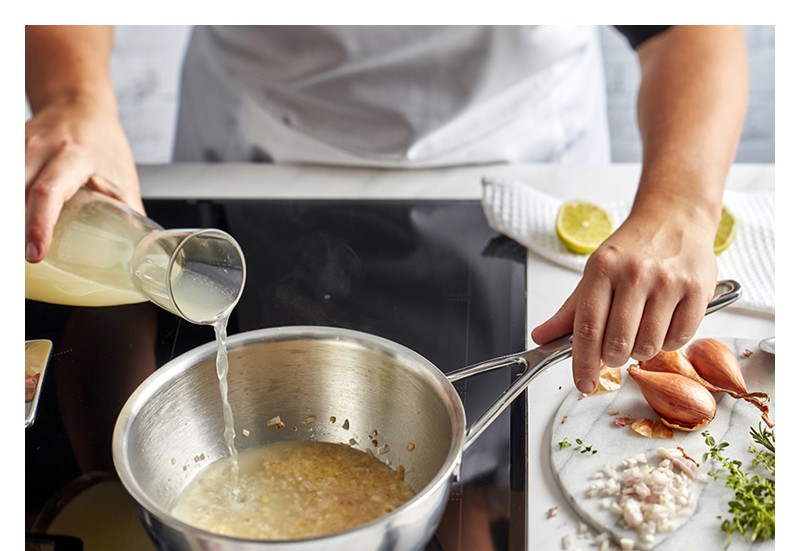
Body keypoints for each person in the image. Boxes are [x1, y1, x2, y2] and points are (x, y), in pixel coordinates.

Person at [24, 25, 749, 394]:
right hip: (259, 143)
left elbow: (690, 27)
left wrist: (680, 205)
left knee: (507, 447)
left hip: (517, 147)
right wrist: (73, 96)